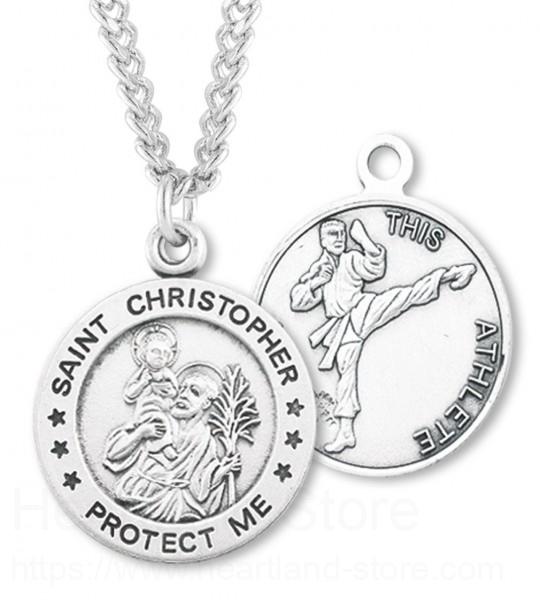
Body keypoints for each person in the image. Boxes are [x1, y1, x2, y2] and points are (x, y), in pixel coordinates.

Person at [290, 218, 476, 454]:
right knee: (346, 373)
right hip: (342, 327)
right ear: (322, 241)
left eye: (342, 234)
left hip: (363, 309)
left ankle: (455, 273)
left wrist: (364, 241)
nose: (339, 239)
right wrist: (317, 282)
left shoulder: (351, 259)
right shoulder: (318, 269)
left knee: (404, 295)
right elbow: (298, 302)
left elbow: (375, 269)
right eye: (333, 234)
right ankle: (346, 432)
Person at [104, 364, 240, 523]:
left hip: (178, 509)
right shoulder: (157, 420)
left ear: (206, 404)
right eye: (182, 389)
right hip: (136, 497)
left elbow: (199, 491)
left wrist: (223, 470)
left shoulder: (205, 440)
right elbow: (112, 454)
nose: (183, 395)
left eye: (194, 392)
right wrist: (141, 433)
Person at [123, 322, 179, 416]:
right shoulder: (142, 373)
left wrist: (166, 390)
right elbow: (129, 393)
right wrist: (142, 383)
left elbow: (175, 392)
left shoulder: (167, 374)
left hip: (163, 412)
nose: (161, 356)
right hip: (144, 412)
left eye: (165, 353)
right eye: (156, 351)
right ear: (144, 354)